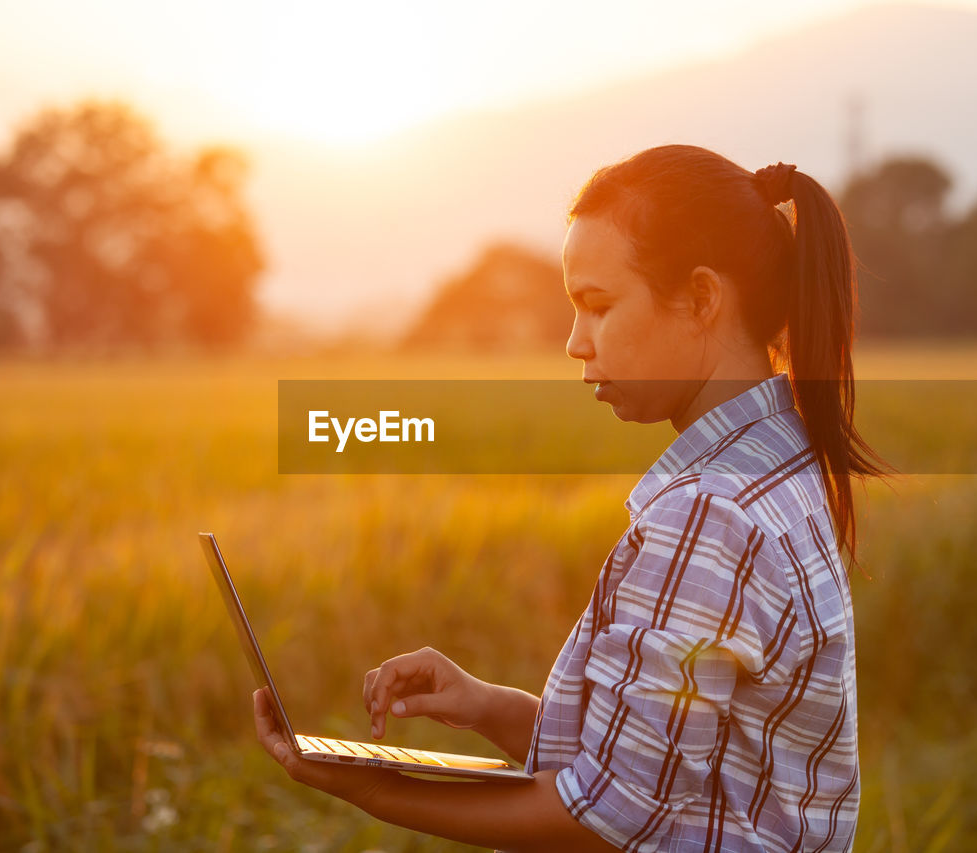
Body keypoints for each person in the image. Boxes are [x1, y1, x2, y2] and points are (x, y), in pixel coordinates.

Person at [253, 144, 889, 851]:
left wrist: (377, 790)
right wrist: (485, 704)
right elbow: (658, 767)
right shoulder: (780, 461)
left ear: (703, 297)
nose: (574, 342)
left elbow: (604, 816)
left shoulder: (708, 512)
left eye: (598, 305)